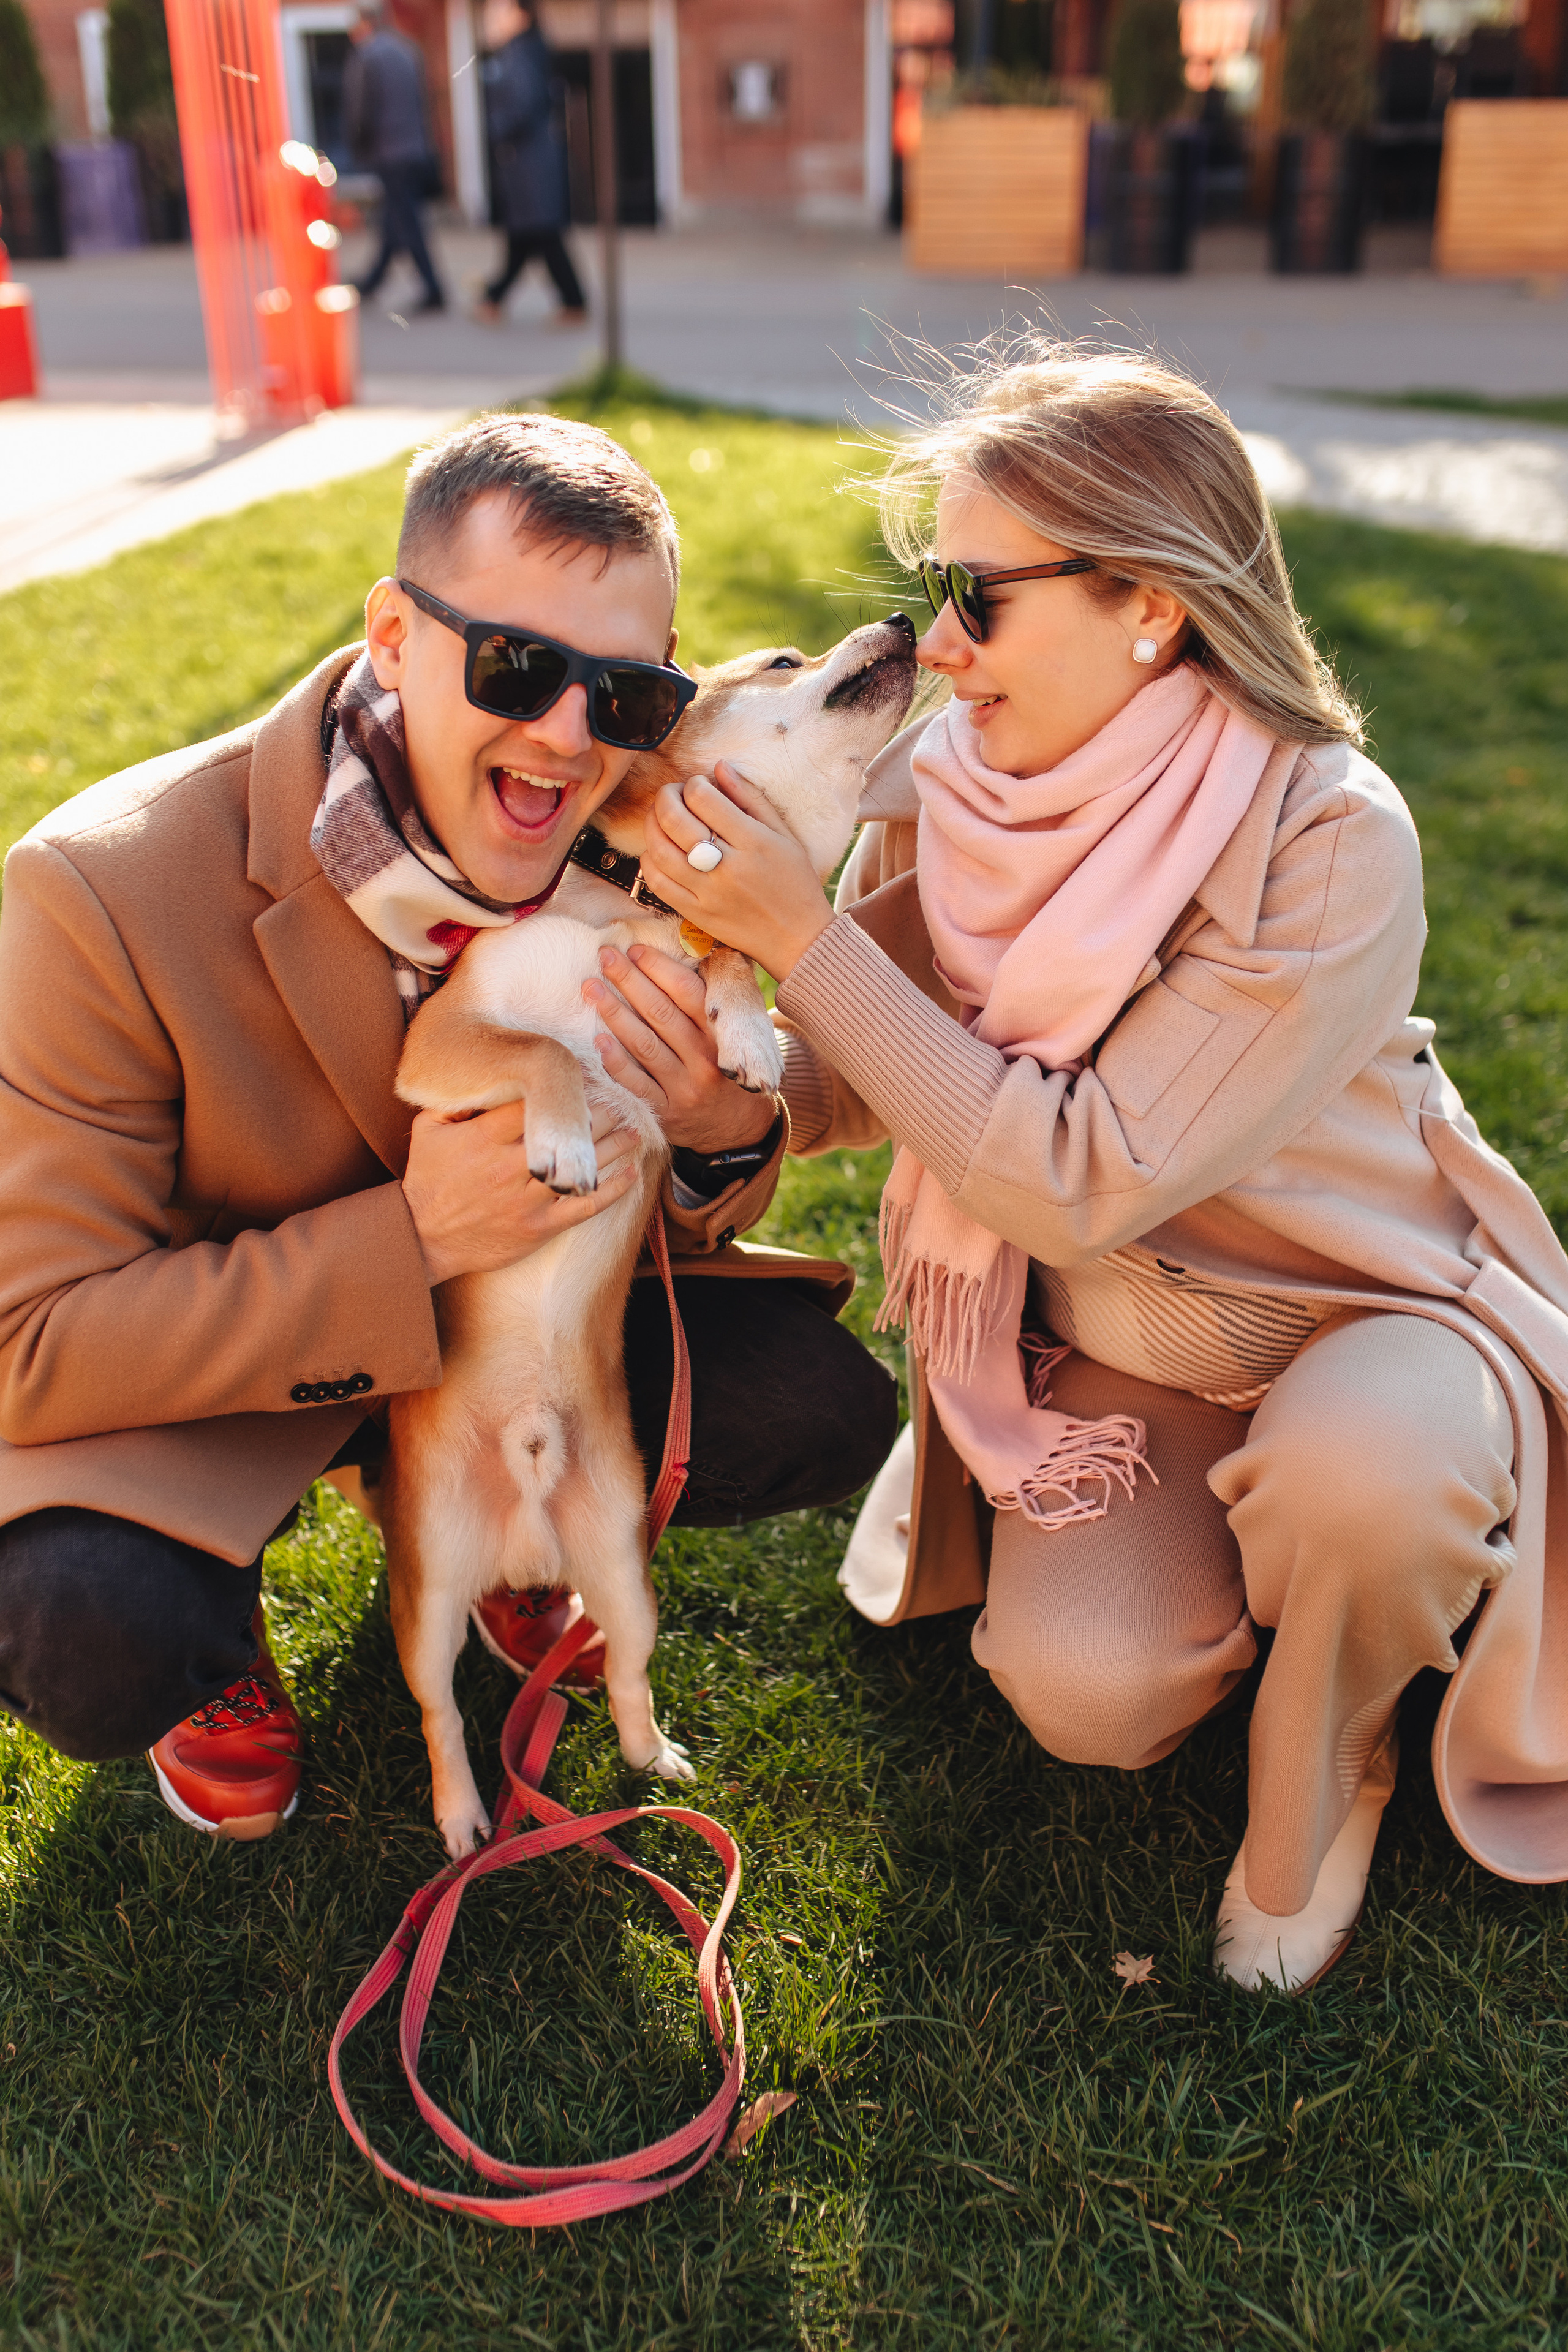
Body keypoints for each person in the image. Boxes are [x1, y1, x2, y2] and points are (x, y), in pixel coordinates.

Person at [636, 340, 1568, 1996]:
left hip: (1366, 1313)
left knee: (1364, 1480)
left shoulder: (1328, 834)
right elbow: (869, 1069)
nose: (937, 645)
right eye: (939, 588)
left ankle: (1332, 1759)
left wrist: (795, 933)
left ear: (1148, 600)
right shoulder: (955, 781)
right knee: (1091, 1692)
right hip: (1122, 1355)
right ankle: (1299, 1578)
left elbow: (1083, 1173)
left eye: (979, 599)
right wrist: (716, 1091)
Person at [0, 411, 895, 1841]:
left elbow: (633, 1195)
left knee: (813, 1405)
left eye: (624, 691)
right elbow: (29, 1344)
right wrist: (412, 1240)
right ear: (394, 635)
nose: (566, 735)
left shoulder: (644, 845)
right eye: (516, 668)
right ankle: (216, 1645)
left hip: (517, 1355)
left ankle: (500, 1546)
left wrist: (720, 1128)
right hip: (230, 1376)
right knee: (91, 1624)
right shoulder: (93, 893)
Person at [474, 0, 587, 330]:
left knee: (540, 233)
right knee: (524, 235)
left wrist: (497, 130)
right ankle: (495, 297)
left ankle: (571, 302)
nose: (490, 19)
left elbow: (522, 106)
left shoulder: (519, 55)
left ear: (520, 16)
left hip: (530, 163)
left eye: (498, 12)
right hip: (529, 162)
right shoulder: (524, 51)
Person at [344, 0, 447, 315]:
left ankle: (433, 289)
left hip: (389, 151)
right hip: (414, 150)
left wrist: (358, 149)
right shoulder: (407, 50)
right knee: (394, 218)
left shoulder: (368, 55)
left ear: (363, 24)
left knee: (406, 221)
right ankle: (373, 281)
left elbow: (360, 109)